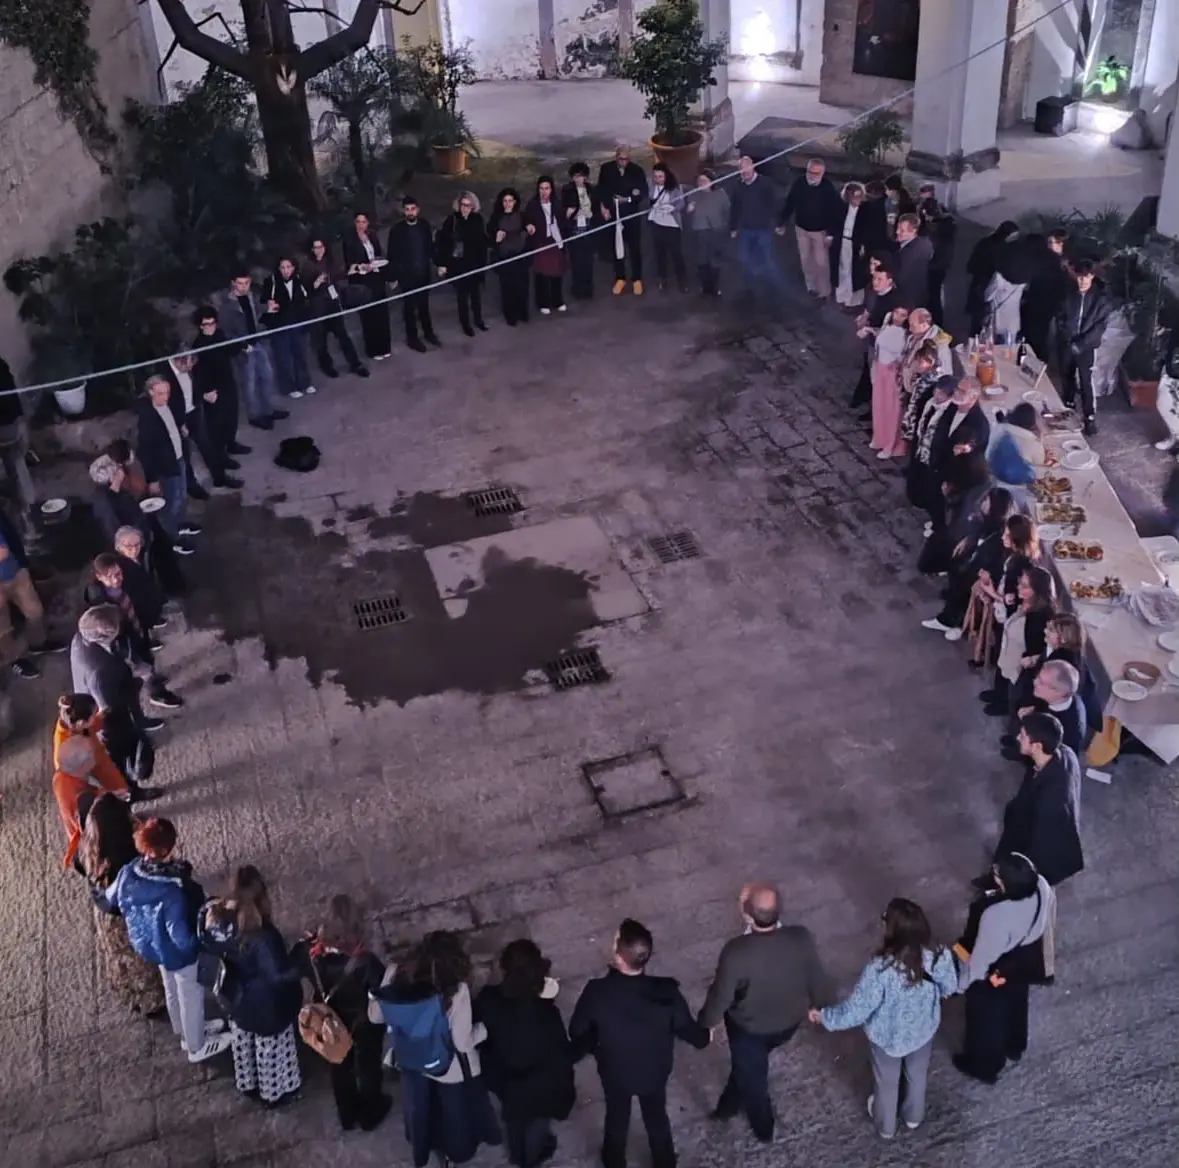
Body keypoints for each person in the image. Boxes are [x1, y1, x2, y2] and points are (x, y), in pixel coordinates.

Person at [808, 898, 957, 1140]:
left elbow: (857, 1010)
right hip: (923, 1030)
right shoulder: (939, 954)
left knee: (886, 1084)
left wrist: (825, 1017)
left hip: (887, 1037)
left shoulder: (880, 969)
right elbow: (950, 986)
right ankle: (913, 1117)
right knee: (917, 1075)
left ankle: (886, 1127)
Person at [569, 918, 708, 1168]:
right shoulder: (667, 992)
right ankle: (665, 1162)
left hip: (615, 1073)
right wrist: (706, 1036)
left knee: (617, 1117)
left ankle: (614, 1161)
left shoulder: (596, 992)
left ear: (620, 957)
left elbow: (576, 1031)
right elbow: (690, 1032)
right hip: (655, 1071)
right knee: (656, 1117)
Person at [698, 883, 829, 1143]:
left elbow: (720, 995)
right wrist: (821, 1005)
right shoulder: (800, 937)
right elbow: (817, 976)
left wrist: (706, 1023)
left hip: (749, 1029)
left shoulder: (736, 952)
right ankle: (728, 1106)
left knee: (753, 1082)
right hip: (788, 1022)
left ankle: (764, 1128)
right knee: (746, 1068)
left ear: (747, 916)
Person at [103, 816, 232, 1063]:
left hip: (149, 944)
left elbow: (111, 899)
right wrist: (202, 941)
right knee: (190, 993)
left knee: (170, 986)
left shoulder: (129, 870)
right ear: (165, 849)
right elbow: (182, 937)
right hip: (176, 951)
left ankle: (183, 1030)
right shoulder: (173, 890)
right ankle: (196, 1045)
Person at [370, 930, 502, 1167]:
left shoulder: (394, 972)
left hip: (410, 1059)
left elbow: (376, 1016)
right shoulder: (456, 990)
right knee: (454, 1113)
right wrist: (483, 1030)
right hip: (448, 1066)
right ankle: (455, 1153)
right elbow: (462, 1042)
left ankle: (422, 1148)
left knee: (418, 1109)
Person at [198, 867, 303, 1106]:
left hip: (234, 997)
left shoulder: (217, 918)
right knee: (270, 1048)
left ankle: (247, 1082)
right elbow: (279, 974)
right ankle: (272, 1092)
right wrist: (300, 956)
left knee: (243, 1037)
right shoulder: (261, 938)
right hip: (265, 1006)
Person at [290, 894, 392, 1132]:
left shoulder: (309, 952)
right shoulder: (366, 961)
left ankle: (347, 1114)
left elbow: (293, 968)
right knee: (368, 1067)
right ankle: (370, 1113)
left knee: (338, 1064)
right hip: (362, 1022)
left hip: (329, 1019)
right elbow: (382, 988)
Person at [953, 852, 1055, 1084]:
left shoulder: (996, 915)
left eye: (998, 875)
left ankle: (984, 1066)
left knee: (986, 1018)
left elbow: (981, 959)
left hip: (997, 967)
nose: (993, 875)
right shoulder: (1042, 887)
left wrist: (963, 984)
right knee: (1017, 1002)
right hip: (1021, 961)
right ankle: (1015, 1044)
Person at [475, 939, 575, 1168]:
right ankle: (529, 1159)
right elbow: (561, 1053)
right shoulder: (546, 1013)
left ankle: (516, 1151)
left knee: (514, 1120)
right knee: (536, 1127)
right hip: (539, 1085)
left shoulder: (489, 1000)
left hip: (505, 1081)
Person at [78, 793, 167, 1015]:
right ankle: (152, 1002)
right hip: (125, 918)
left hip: (106, 914)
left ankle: (130, 995)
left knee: (120, 958)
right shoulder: (125, 861)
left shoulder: (89, 846)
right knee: (139, 959)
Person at [53, 693, 161, 856]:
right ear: (81, 723)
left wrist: (98, 719)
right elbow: (82, 799)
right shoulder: (65, 760)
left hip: (94, 757)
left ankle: (128, 809)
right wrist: (107, 795)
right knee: (104, 822)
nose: (95, 716)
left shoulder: (72, 724)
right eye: (92, 715)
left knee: (121, 788)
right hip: (86, 771)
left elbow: (90, 728)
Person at [70, 604, 163, 781]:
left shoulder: (82, 637)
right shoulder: (99, 672)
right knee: (123, 756)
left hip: (116, 688)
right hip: (110, 719)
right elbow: (110, 709)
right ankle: (131, 788)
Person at [83, 553, 183, 710]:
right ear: (99, 577)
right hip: (124, 641)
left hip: (137, 630)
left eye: (118, 574)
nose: (116, 580)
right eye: (109, 577)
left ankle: (152, 681)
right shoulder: (98, 601)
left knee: (148, 659)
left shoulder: (127, 583)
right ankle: (156, 693)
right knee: (144, 669)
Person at [995, 713, 1084, 887]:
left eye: (1023, 736)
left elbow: (1041, 843)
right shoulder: (1063, 752)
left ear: (1036, 746)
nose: (1018, 738)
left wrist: (1016, 872)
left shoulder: (1051, 800)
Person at [922, 485, 1015, 636]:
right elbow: (977, 532)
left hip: (981, 574)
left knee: (961, 582)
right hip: (974, 563)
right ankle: (954, 614)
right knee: (956, 571)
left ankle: (953, 621)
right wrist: (968, 540)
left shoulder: (999, 537)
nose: (983, 502)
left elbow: (989, 563)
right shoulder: (990, 522)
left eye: (987, 500)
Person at [981, 562, 1055, 718]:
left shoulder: (1038, 619)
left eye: (1024, 586)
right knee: (1001, 674)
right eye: (1020, 582)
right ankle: (998, 695)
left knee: (1014, 692)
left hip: (1019, 664)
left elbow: (1034, 649)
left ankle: (1005, 707)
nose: (1019, 587)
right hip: (1008, 653)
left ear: (1036, 592)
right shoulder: (1025, 603)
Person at [217, 270, 289, 429]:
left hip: (259, 342)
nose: (243, 287)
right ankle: (255, 415)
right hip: (244, 349)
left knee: (267, 377)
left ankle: (268, 410)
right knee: (250, 383)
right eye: (240, 284)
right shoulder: (227, 307)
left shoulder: (251, 296)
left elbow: (256, 312)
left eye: (246, 283)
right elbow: (226, 332)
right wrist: (242, 345)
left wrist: (268, 309)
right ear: (233, 283)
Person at [52, 732, 133, 872]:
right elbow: (93, 813)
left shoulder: (61, 777)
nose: (94, 760)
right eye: (91, 758)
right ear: (82, 766)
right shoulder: (80, 799)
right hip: (90, 836)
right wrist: (114, 796)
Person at [0, 506, 65, 679]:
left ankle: (38, 643)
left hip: (15, 572)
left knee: (35, 611)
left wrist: (22, 562)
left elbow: (9, 536)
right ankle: (15, 659)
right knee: (3, 629)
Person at [157, 350, 232, 498]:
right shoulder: (164, 376)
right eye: (188, 366)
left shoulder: (188, 368)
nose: (190, 369)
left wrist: (203, 396)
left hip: (194, 412)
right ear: (179, 361)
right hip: (177, 419)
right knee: (184, 454)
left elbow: (194, 387)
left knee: (206, 444)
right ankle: (192, 486)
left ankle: (220, 477)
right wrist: (179, 424)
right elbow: (165, 405)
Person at [136, 374, 198, 544]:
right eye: (161, 393)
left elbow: (171, 424)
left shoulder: (165, 405)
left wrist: (180, 428)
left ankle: (180, 524)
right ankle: (172, 539)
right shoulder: (147, 418)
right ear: (150, 392)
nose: (165, 397)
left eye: (167, 392)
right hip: (166, 465)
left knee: (182, 496)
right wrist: (152, 479)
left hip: (178, 458)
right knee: (172, 503)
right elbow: (146, 450)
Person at [191, 306, 251, 475]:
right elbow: (198, 373)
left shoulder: (219, 334)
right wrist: (206, 392)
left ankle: (231, 443)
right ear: (200, 326)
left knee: (232, 416)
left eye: (212, 323)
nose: (210, 327)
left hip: (227, 382)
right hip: (213, 390)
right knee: (217, 425)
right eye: (206, 324)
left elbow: (228, 348)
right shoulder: (199, 345)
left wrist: (241, 346)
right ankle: (221, 456)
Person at [1056, 259, 1112, 437]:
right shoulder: (1067, 294)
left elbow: (1099, 328)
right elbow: (1060, 318)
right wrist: (1067, 338)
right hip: (1067, 343)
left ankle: (1089, 417)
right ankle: (1068, 406)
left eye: (1086, 278)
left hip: (1086, 347)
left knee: (1086, 381)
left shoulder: (1100, 300)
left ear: (1092, 277)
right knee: (1066, 376)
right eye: (1080, 278)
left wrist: (1080, 345)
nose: (1082, 282)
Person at [304, 237, 368, 379]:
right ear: (312, 249)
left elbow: (337, 276)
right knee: (321, 340)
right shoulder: (308, 265)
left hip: (333, 305)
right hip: (318, 308)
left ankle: (355, 364)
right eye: (316, 247)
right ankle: (327, 366)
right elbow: (306, 289)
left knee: (343, 336)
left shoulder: (329, 261)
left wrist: (350, 271)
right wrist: (316, 283)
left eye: (321, 246)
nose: (319, 250)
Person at [779, 157, 841, 299]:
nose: (812, 176)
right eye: (810, 172)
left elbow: (834, 212)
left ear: (822, 173)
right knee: (806, 260)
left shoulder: (827, 188)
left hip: (820, 231)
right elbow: (790, 203)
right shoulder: (799, 183)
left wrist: (831, 234)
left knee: (821, 262)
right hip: (801, 229)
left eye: (816, 173)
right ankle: (811, 287)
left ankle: (824, 291)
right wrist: (781, 221)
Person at [728, 154, 788, 301]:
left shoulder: (765, 184)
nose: (744, 172)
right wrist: (733, 227)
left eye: (746, 169)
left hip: (763, 229)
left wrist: (779, 223)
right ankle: (748, 286)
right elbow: (735, 207)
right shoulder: (738, 186)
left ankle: (777, 287)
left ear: (753, 166)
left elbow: (774, 204)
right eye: (741, 170)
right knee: (744, 258)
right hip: (746, 229)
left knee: (767, 258)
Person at [388, 196, 442, 352]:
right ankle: (412, 338)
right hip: (407, 276)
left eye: (413, 209)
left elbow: (431, 248)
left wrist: (438, 263)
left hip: (423, 273)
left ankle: (429, 333)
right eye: (407, 209)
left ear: (418, 210)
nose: (410, 212)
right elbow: (392, 255)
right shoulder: (397, 230)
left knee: (424, 306)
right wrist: (392, 277)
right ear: (403, 211)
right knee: (409, 308)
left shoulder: (424, 226)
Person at [1006, 658, 1086, 760]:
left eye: (1042, 682)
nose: (1035, 682)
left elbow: (1049, 757)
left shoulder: (1070, 730)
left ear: (1059, 693)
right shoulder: (1054, 697)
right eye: (1038, 677)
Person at [436, 191, 490, 336]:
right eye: (463, 205)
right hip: (458, 264)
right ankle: (466, 324)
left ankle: (478, 320)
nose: (465, 208)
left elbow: (482, 242)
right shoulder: (452, 220)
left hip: (474, 263)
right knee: (462, 296)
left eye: (468, 205)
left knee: (475, 295)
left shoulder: (478, 219)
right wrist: (442, 263)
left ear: (473, 206)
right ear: (458, 205)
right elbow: (443, 243)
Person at [341, 211, 393, 361]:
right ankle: (373, 349)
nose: (361, 225)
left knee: (382, 312)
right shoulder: (349, 241)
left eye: (364, 222)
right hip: (362, 281)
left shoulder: (372, 236)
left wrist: (380, 266)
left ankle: (385, 346)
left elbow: (378, 255)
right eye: (358, 222)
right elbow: (349, 264)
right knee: (369, 316)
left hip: (377, 277)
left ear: (368, 223)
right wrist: (362, 266)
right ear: (355, 223)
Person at [596, 144, 647, 295]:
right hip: (613, 214)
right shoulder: (606, 169)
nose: (623, 162)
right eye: (620, 159)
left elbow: (642, 191)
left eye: (626, 159)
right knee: (616, 246)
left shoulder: (637, 171)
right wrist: (603, 207)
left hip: (630, 214)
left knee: (634, 247)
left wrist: (628, 199)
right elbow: (601, 189)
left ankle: (637, 278)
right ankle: (620, 277)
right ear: (616, 157)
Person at [263, 256, 316, 399]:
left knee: (300, 354)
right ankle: (289, 386)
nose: (286, 271)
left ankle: (305, 383)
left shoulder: (299, 280)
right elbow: (265, 303)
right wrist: (269, 307)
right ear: (278, 269)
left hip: (297, 323)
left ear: (293, 268)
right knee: (284, 357)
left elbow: (305, 299)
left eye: (289, 267)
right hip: (279, 325)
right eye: (283, 267)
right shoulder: (271, 282)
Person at [852, 255, 899, 411]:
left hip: (884, 350)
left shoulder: (893, 302)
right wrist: (864, 317)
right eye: (875, 279)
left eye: (880, 279)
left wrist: (868, 330)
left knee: (879, 383)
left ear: (889, 281)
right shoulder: (875, 293)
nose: (875, 282)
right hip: (874, 345)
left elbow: (891, 331)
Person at [867, 303, 911, 461]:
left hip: (893, 374)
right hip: (880, 369)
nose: (898, 317)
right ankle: (879, 438)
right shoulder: (887, 324)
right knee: (879, 405)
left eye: (903, 315)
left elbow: (905, 355)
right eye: (896, 313)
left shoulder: (906, 335)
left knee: (893, 410)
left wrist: (898, 363)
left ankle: (891, 444)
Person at [1021, 228, 1071, 361]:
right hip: (1044, 303)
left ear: (1061, 244)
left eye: (1051, 242)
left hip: (1045, 304)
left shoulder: (1062, 263)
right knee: (1039, 336)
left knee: (1039, 337)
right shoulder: (1054, 260)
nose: (1048, 245)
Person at [987, 402, 1049, 510]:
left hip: (992, 481)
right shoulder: (1032, 442)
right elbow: (1040, 461)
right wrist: (1041, 439)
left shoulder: (998, 428)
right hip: (1020, 488)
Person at [965, 220, 1019, 336]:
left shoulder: (984, 243)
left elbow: (970, 266)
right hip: (992, 291)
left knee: (977, 327)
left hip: (979, 288)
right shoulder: (1007, 250)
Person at [523, 176, 568, 316]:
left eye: (547, 188)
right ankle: (542, 302)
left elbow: (563, 221)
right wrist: (529, 226)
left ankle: (558, 300)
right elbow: (527, 219)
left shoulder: (557, 203)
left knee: (557, 272)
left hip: (555, 241)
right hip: (541, 242)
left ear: (551, 189)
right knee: (541, 273)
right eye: (541, 188)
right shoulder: (533, 205)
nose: (544, 191)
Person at [488, 188, 532, 326]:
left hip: (520, 255)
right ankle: (510, 315)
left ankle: (522, 312)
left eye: (510, 201)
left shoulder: (522, 215)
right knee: (508, 288)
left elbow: (528, 228)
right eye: (505, 201)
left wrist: (530, 228)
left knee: (522, 286)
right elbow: (490, 238)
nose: (507, 204)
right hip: (505, 257)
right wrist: (496, 237)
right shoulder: (496, 218)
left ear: (515, 202)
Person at [683, 169, 730, 297]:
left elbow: (727, 210)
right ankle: (705, 286)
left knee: (715, 260)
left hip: (716, 230)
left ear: (711, 181)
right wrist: (689, 210)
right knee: (702, 261)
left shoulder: (720, 194)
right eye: (700, 181)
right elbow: (687, 215)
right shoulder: (693, 195)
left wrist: (725, 226)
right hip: (700, 232)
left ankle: (715, 286)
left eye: (705, 180)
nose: (702, 183)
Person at [561, 162, 603, 300]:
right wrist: (571, 213)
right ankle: (578, 288)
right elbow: (565, 209)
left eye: (581, 176)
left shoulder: (591, 189)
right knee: (576, 260)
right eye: (576, 176)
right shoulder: (567, 190)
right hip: (574, 228)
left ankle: (588, 287)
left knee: (588, 260)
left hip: (588, 226)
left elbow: (596, 206)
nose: (579, 179)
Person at [647, 163, 688, 293]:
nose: (657, 179)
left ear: (666, 176)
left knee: (676, 254)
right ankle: (662, 278)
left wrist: (673, 208)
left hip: (672, 225)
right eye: (655, 176)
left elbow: (681, 203)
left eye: (660, 177)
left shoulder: (674, 188)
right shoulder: (651, 185)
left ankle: (682, 280)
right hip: (657, 224)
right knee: (660, 254)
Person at [830, 182, 870, 310]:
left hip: (856, 244)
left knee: (854, 273)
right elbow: (835, 224)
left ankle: (854, 302)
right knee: (842, 270)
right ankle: (842, 298)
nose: (857, 200)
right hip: (842, 242)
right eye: (854, 196)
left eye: (859, 196)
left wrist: (864, 244)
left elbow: (867, 230)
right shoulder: (841, 208)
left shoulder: (866, 210)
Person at [892, 213, 933, 310]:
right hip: (918, 295)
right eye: (898, 228)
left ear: (913, 231)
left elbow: (901, 277)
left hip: (908, 298)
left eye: (902, 230)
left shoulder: (911, 252)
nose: (897, 232)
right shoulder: (923, 243)